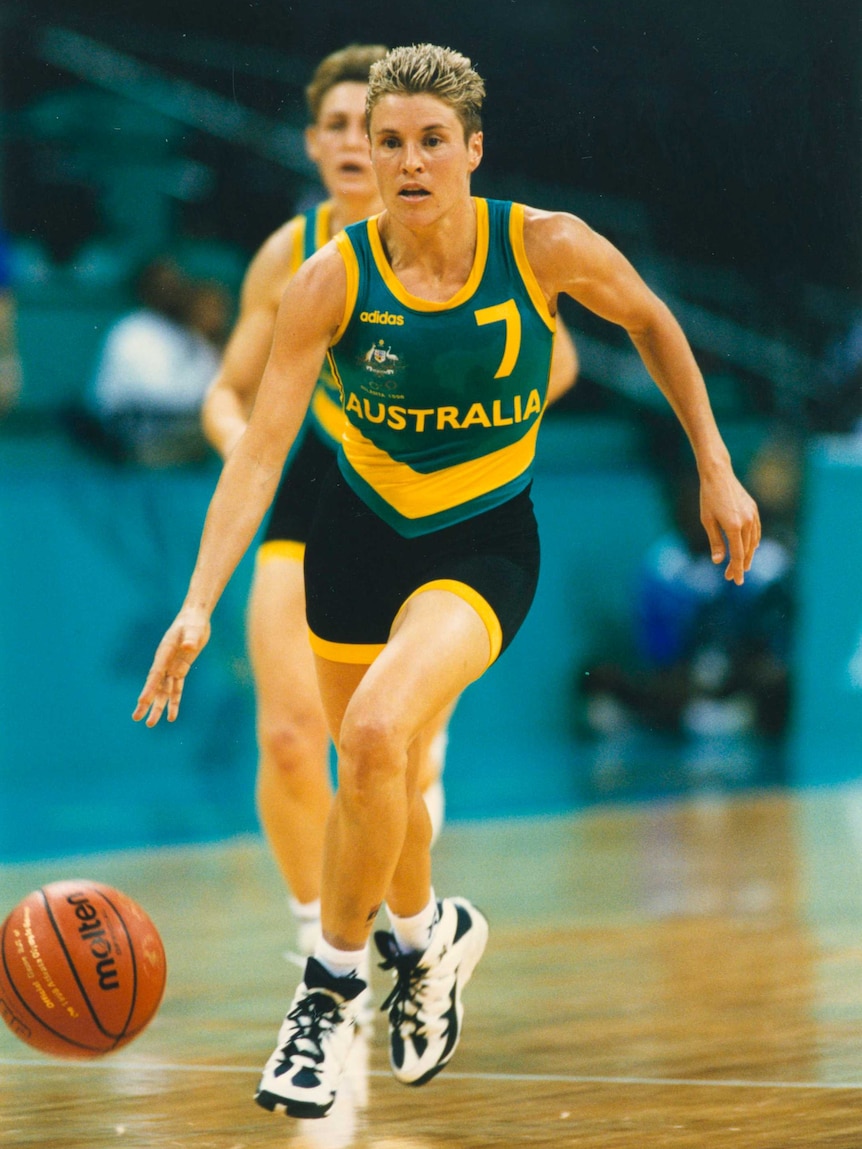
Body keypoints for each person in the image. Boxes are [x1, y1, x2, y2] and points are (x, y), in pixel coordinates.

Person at [134, 44, 759, 1121]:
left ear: (473, 149)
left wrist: (713, 459)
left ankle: (327, 993)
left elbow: (651, 319)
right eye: (388, 144)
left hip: (480, 543)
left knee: (377, 737)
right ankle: (429, 938)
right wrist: (198, 602)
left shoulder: (543, 246)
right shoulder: (325, 278)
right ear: (363, 158)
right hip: (353, 537)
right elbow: (259, 447)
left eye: (431, 142)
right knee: (376, 791)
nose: (408, 162)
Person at [200, 44, 579, 962]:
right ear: (323, 144)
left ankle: (397, 926)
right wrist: (249, 448)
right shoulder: (296, 258)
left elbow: (558, 358)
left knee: (387, 740)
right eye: (333, 128)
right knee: (294, 739)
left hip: (440, 502)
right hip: (313, 492)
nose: (346, 144)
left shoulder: (467, 242)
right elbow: (227, 393)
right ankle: (318, 937)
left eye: (354, 126)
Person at [87, 257, 221, 465]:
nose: (172, 290)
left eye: (176, 283)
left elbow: (213, 384)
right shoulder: (131, 329)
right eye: (163, 284)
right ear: (146, 289)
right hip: (128, 434)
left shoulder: (184, 332)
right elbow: (159, 394)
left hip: (172, 427)